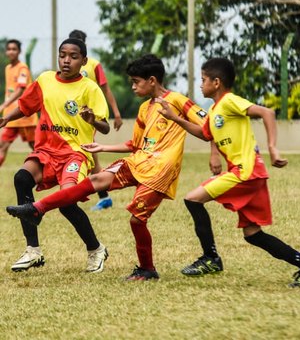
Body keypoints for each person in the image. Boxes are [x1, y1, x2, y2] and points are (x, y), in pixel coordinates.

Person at [7, 54, 212, 281]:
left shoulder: (178, 101)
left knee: (136, 220)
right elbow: (135, 145)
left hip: (161, 170)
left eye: (136, 82)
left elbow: (206, 130)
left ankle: (148, 269)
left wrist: (176, 119)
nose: (133, 87)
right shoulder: (145, 108)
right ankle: (37, 209)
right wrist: (102, 148)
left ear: (152, 80)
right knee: (95, 181)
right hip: (139, 161)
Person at [156, 57, 300, 288]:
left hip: (245, 173)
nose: (200, 84)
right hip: (251, 174)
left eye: (203, 80)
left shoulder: (229, 101)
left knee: (192, 199)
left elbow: (268, 113)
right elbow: (206, 134)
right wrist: (175, 118)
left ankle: (211, 258)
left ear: (216, 82)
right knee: (253, 234)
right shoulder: (216, 109)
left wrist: (273, 148)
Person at [1, 38, 110, 273]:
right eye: (62, 55)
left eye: (73, 56)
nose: (66, 60)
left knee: (67, 202)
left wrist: (93, 120)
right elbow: (27, 105)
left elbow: (105, 127)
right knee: (21, 178)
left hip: (75, 154)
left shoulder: (89, 88)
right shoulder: (45, 80)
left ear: (83, 60)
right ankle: (33, 251)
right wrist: (8, 117)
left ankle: (96, 249)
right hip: (46, 151)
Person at [69, 29, 123, 211]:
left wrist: (116, 113)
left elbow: (106, 89)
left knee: (87, 152)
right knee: (91, 157)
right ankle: (102, 195)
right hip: (71, 117)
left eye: (78, 41)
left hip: (88, 117)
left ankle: (80, 193)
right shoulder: (67, 64)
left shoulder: (93, 65)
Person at [0, 39, 38, 166]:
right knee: (2, 146)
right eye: (9, 49)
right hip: (11, 117)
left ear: (19, 51)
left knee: (36, 147)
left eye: (14, 49)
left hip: (24, 115)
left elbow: (20, 89)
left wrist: (4, 104)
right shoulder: (8, 68)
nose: (11, 52)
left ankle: (47, 170)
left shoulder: (22, 68)